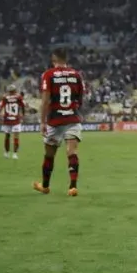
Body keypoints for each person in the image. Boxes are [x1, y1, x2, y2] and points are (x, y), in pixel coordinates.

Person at [32, 49, 86, 197]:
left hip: (55, 120)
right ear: (66, 59)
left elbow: (45, 101)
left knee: (49, 154)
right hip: (72, 118)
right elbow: (80, 99)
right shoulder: (76, 75)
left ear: (53, 59)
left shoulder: (48, 75)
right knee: (72, 152)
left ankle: (45, 186)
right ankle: (73, 186)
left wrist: (42, 122)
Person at [0, 84, 25, 159]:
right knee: (16, 137)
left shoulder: (5, 97)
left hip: (7, 119)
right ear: (15, 90)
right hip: (16, 119)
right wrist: (23, 114)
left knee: (7, 136)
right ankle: (15, 154)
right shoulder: (19, 97)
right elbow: (23, 106)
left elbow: (1, 107)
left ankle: (6, 153)